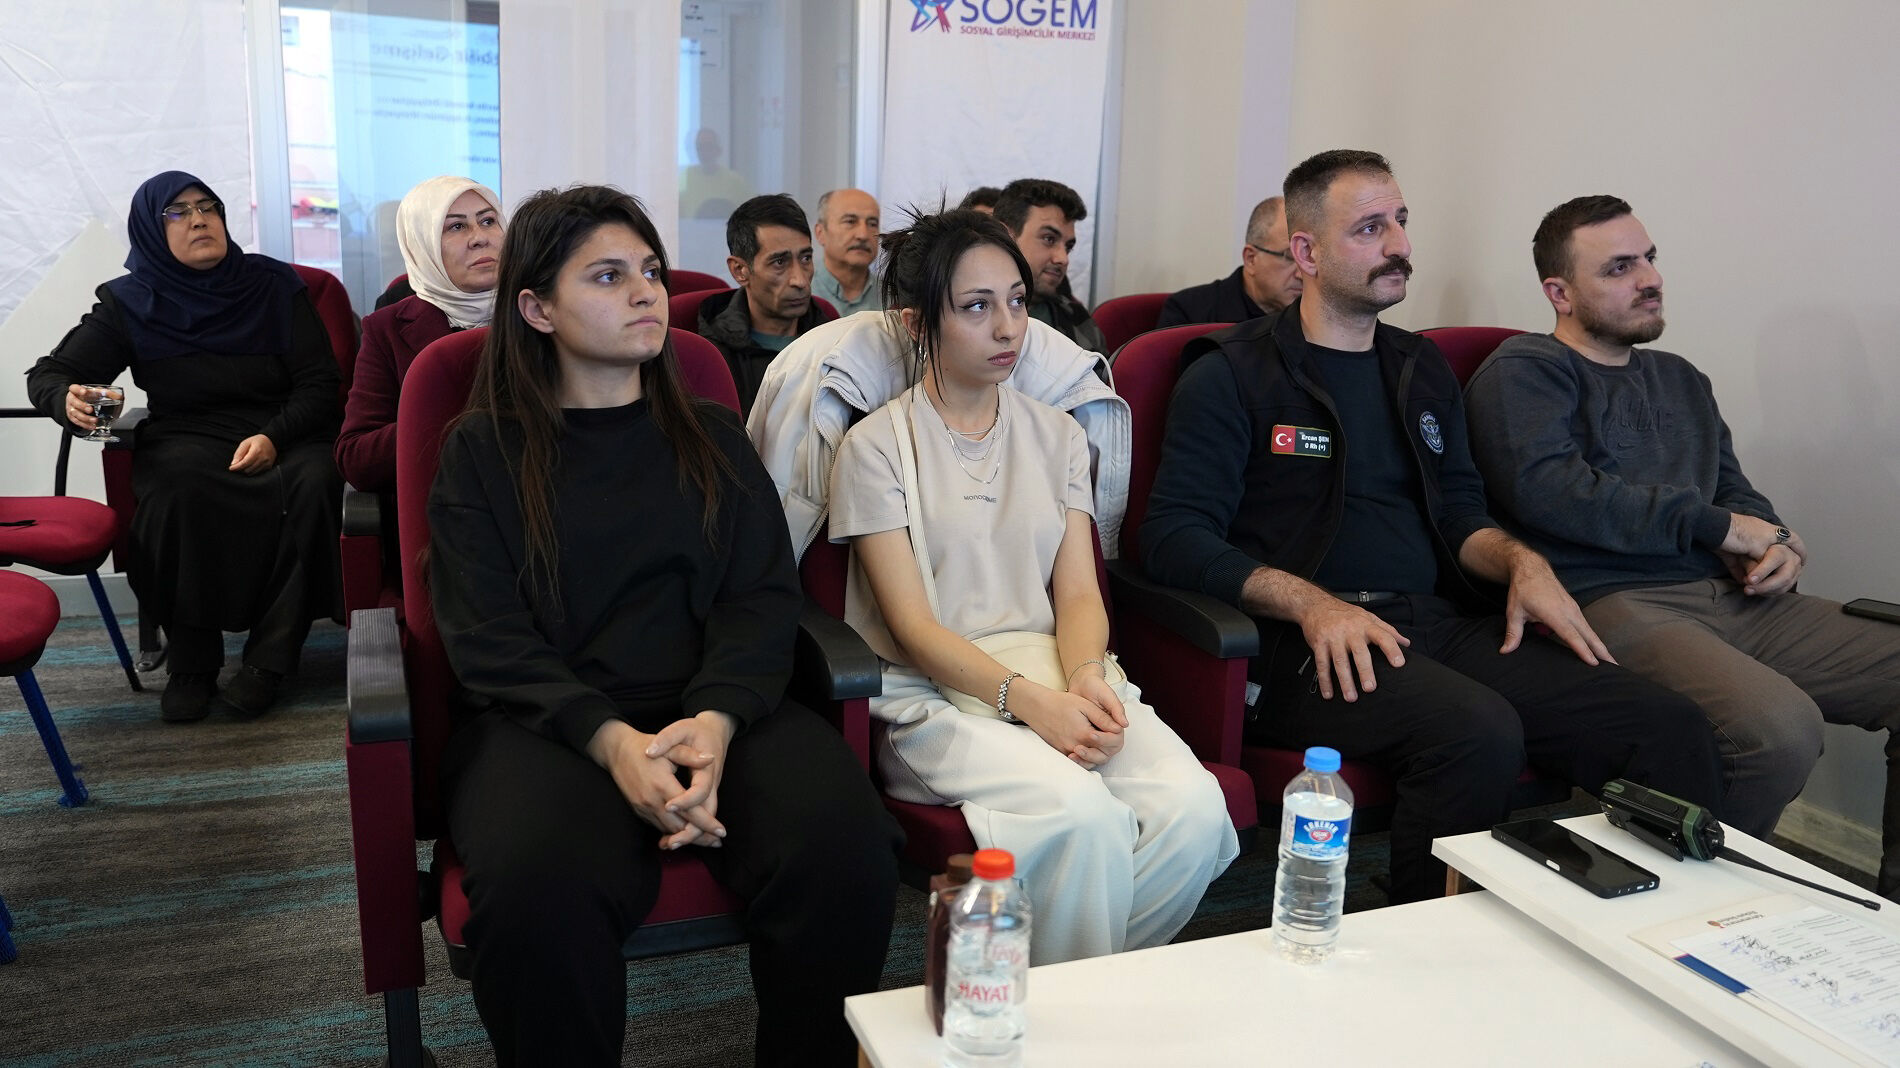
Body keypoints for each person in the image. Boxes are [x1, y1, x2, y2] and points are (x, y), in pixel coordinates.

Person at [1140, 151, 1722, 905]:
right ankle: (1424, 934)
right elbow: (1173, 536)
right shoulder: (1229, 374)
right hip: (1300, 644)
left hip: (1434, 623)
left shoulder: (1419, 367)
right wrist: (1312, 603)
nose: (1400, 246)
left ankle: (1654, 934)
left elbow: (1459, 513)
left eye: (1402, 222)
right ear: (1307, 253)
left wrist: (1521, 563)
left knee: (1666, 725)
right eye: (1370, 229)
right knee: (1474, 731)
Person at [427, 184, 900, 1066]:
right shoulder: (483, 448)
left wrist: (716, 720)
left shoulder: (712, 434)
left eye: (649, 270)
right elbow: (486, 635)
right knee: (537, 893)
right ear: (536, 308)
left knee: (846, 849)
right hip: (549, 723)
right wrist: (612, 743)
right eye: (608, 276)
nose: (646, 291)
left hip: (714, 706)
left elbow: (760, 597)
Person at [830, 208, 1235, 965]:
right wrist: (1031, 703)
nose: (1008, 327)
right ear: (919, 323)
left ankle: (1055, 995)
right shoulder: (875, 446)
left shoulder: (1057, 434)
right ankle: (1081, 1007)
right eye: (976, 306)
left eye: (1016, 301)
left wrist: (1084, 676)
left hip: (1060, 669)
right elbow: (913, 628)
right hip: (933, 696)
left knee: (1197, 811)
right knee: (1085, 817)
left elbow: (1079, 595)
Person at [1464, 195, 1900, 893]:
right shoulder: (1525, 370)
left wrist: (1772, 539)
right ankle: (1700, 909)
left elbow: (1732, 490)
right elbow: (1553, 492)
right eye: (1619, 268)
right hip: (1613, 601)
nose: (1649, 279)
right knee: (1779, 730)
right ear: (1560, 293)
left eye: (1649, 259)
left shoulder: (1680, 378)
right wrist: (1718, 527)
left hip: (1733, 596)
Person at [27, 170, 343, 723]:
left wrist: (274, 436)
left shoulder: (275, 285)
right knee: (176, 485)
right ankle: (192, 661)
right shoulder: (130, 301)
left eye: (208, 207)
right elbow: (50, 373)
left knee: (316, 481)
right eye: (178, 211)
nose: (199, 220)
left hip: (285, 430)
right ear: (151, 230)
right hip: (188, 436)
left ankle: (269, 661)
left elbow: (321, 384)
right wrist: (65, 400)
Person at [336, 175, 505, 493]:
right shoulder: (387, 329)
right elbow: (356, 459)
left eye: (488, 221)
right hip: (439, 501)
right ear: (421, 244)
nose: (480, 238)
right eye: (456, 226)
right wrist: (448, 417)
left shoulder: (541, 311)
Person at [697, 193, 838, 413]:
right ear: (740, 270)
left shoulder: (834, 341)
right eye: (779, 262)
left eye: (806, 258)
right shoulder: (712, 357)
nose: (800, 281)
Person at [993, 178, 1107, 353]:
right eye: (1049, 239)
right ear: (1006, 236)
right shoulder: (967, 319)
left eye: (1068, 247)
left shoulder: (1077, 318)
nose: (1063, 259)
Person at [1157, 196, 1303, 328]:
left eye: (1308, 258)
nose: (1302, 275)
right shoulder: (1188, 312)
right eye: (1290, 257)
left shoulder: (1312, 318)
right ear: (1251, 259)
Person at [811, 187, 884, 317]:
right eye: (850, 222)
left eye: (872, 224)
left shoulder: (895, 297)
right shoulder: (801, 294)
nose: (863, 235)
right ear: (820, 233)